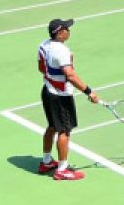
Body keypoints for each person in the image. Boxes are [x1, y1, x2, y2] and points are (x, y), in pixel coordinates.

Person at [36, 18, 100, 180]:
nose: (69, 31)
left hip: (47, 91)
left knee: (52, 126)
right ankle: (62, 170)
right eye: (66, 28)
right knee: (64, 130)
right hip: (60, 97)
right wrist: (89, 92)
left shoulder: (44, 45)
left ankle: (46, 161)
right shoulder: (61, 51)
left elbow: (40, 68)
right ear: (59, 33)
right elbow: (70, 75)